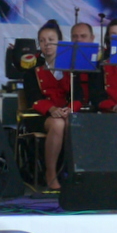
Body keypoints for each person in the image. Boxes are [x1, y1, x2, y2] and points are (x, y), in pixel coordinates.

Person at [23, 20, 86, 191]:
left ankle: (77, 173)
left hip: (65, 113)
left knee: (73, 122)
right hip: (40, 116)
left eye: (51, 40)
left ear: (60, 42)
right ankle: (50, 173)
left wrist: (69, 109)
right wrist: (52, 109)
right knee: (58, 124)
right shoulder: (33, 70)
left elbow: (78, 96)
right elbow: (34, 99)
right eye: (42, 41)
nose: (47, 44)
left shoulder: (70, 69)